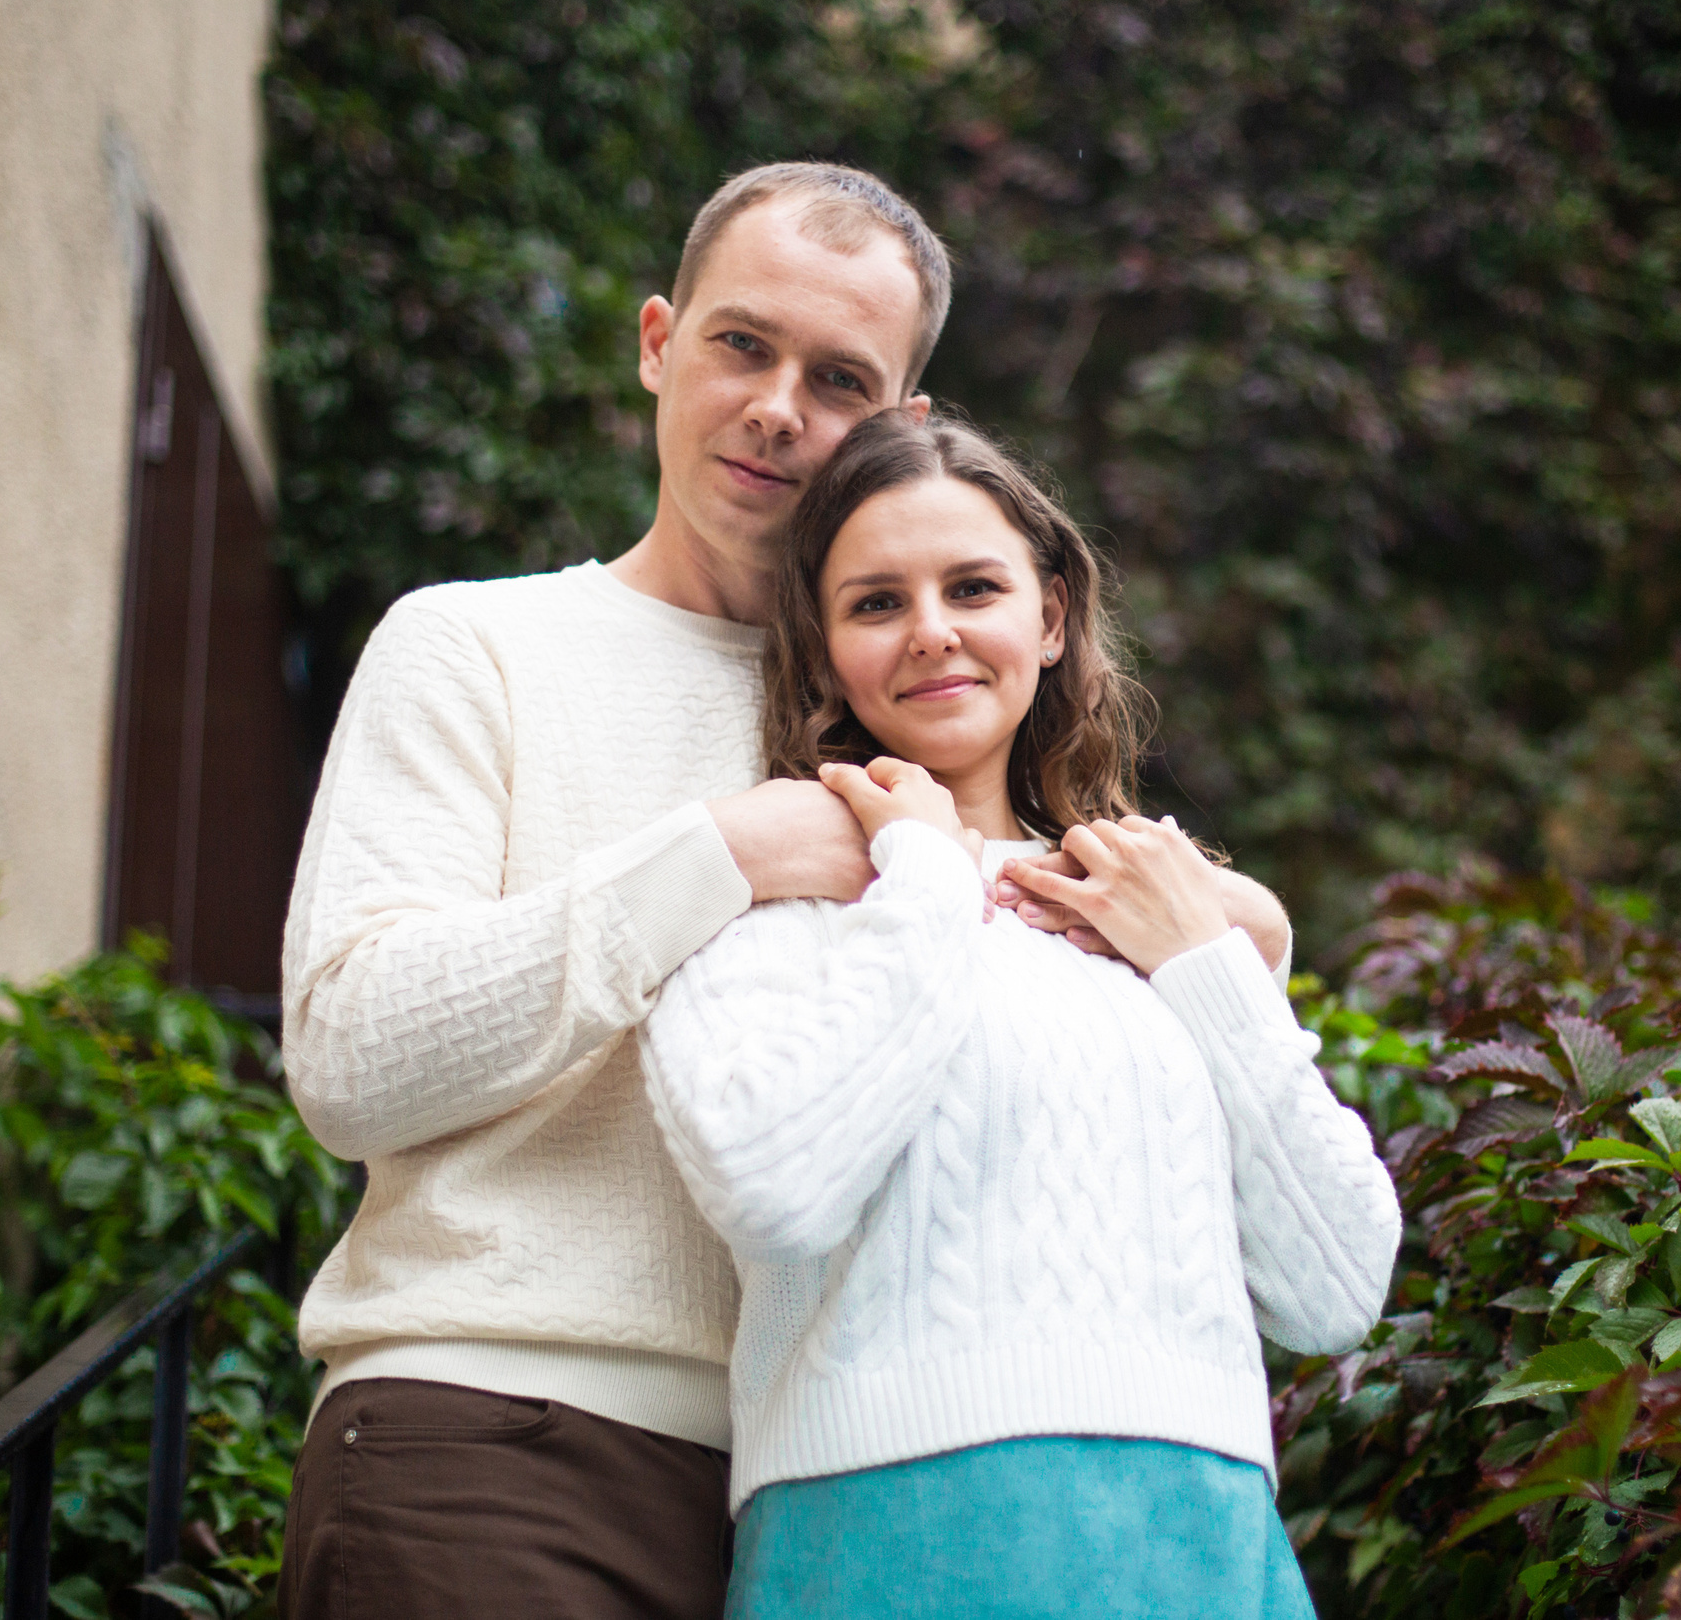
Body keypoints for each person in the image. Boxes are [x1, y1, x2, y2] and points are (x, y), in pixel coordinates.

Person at [276, 163, 1296, 1620]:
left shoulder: (924, 708)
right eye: (740, 344)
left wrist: (1245, 938)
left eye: (837, 377)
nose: (775, 406)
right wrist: (721, 857)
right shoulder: (475, 647)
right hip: (500, 1434)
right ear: (655, 341)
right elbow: (351, 1056)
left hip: (852, 1506)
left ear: (903, 429)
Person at [640, 409, 1401, 1618]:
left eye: (973, 586)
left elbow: (1335, 1286)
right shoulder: (771, 909)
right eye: (875, 602)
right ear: (826, 649)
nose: (932, 630)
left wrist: (1204, 958)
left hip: (1201, 1545)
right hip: (886, 1537)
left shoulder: (1153, 913)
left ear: (1049, 618)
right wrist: (933, 879)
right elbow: (771, 1189)